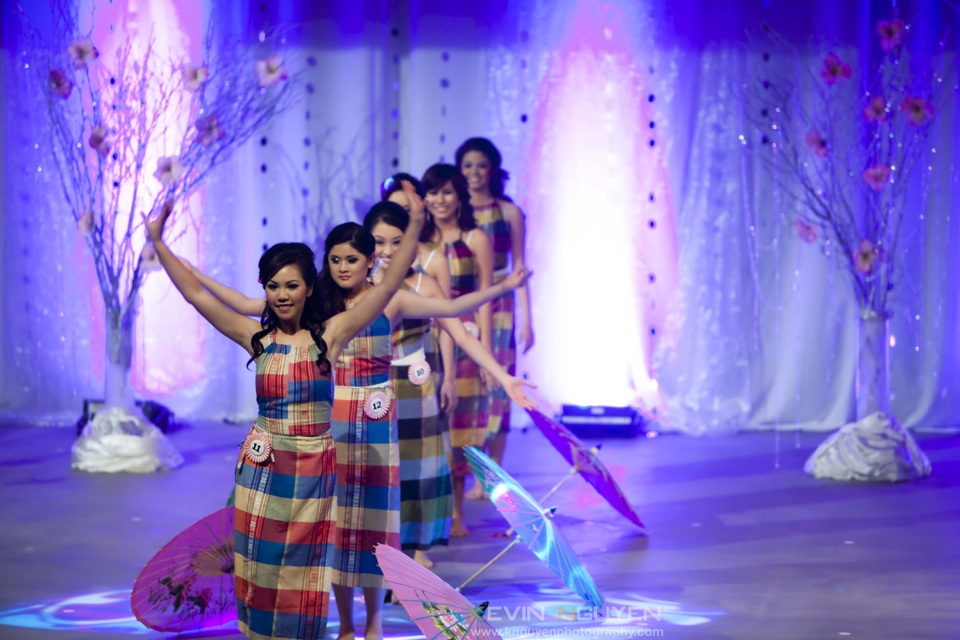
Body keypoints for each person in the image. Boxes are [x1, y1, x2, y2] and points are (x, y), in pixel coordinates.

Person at [180, 202, 533, 638]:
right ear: (325, 262)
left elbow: (454, 314)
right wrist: (187, 269)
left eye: (356, 257)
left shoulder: (392, 296)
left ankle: (374, 623)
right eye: (335, 258)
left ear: (373, 259)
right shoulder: (318, 302)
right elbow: (245, 303)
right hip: (330, 424)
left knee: (374, 527)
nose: (344, 266)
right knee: (336, 528)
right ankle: (344, 624)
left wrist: (503, 316)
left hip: (375, 424)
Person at [143, 184, 424, 640]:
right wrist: (158, 242)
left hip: (313, 469)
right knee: (259, 569)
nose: (282, 295)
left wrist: (414, 225)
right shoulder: (258, 339)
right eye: (273, 286)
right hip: (263, 469)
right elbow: (195, 294)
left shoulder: (328, 336)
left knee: (304, 572)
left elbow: (389, 285)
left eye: (291, 285)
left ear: (309, 287)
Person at [364, 202, 538, 569]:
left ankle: (409, 557)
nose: (389, 251)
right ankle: (376, 557)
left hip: (413, 393)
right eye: (380, 242)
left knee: (414, 477)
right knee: (373, 477)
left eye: (398, 241)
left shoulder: (423, 283)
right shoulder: (356, 283)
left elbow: (460, 332)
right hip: (367, 393)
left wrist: (504, 376)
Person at [456, 137, 535, 498]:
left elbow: (519, 267)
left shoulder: (508, 211)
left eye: (481, 165)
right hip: (461, 300)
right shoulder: (455, 211)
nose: (474, 173)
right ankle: (469, 471)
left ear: (493, 170)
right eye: (467, 165)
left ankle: (494, 475)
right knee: (467, 384)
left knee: (498, 385)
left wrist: (529, 318)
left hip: (500, 305)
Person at [419, 162, 494, 536]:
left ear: (459, 195)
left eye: (447, 191)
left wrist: (487, 355)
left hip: (464, 342)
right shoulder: (416, 241)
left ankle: (457, 512)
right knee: (429, 426)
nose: (440, 200)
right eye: (432, 192)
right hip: (422, 338)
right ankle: (428, 512)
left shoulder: (475, 238)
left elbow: (483, 299)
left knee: (462, 430)